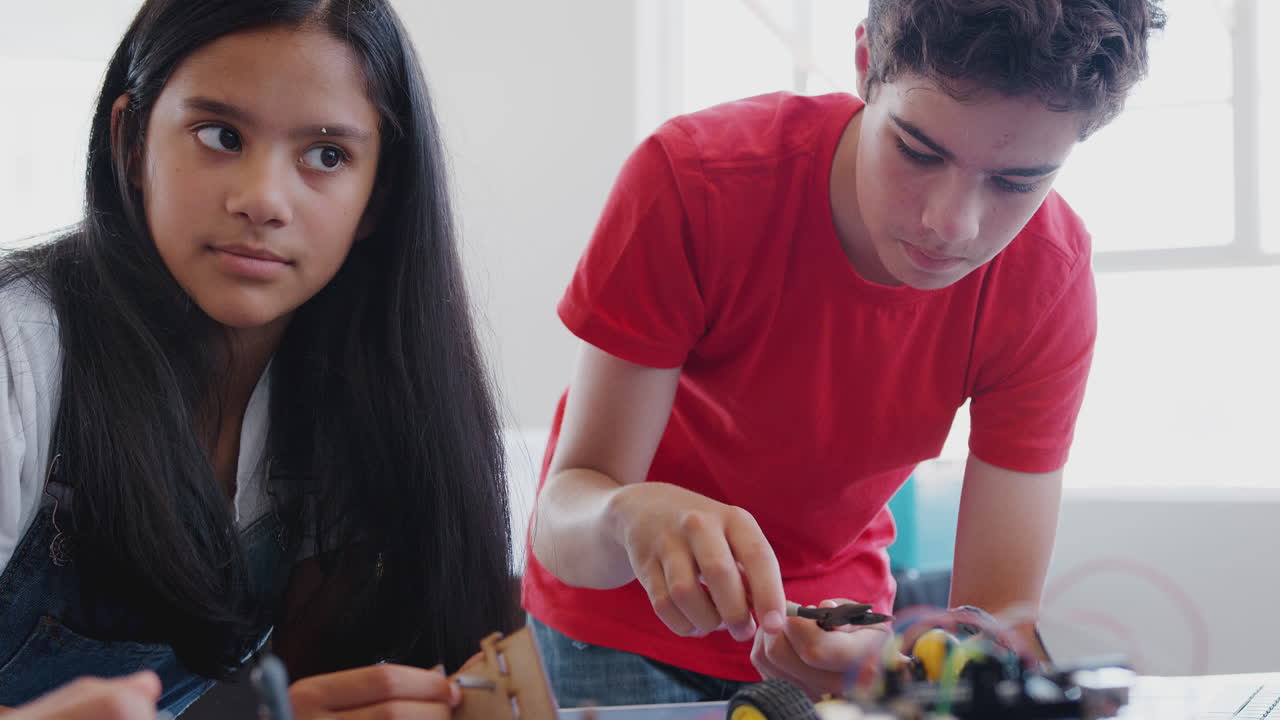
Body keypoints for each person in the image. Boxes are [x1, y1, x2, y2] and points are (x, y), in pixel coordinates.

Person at [526, 0, 1166, 707]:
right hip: (614, 626)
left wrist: (904, 663)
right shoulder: (694, 182)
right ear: (865, 65)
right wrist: (625, 515)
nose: (951, 225)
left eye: (1017, 181)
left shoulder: (1048, 277)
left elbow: (993, 626)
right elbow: (564, 519)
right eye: (919, 152)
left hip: (847, 633)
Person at [0, 0, 513, 716]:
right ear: (130, 142)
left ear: (378, 194)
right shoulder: (20, 348)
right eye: (220, 135)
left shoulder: (360, 407)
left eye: (327, 155)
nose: (264, 200)